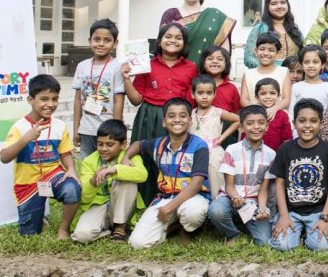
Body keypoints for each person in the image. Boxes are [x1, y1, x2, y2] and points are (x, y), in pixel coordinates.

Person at [1, 75, 81, 238]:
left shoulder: (59, 125)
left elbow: (65, 152)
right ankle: (37, 218)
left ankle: (63, 229)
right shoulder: (19, 127)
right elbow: (4, 157)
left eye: (54, 99)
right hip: (28, 183)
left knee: (72, 189)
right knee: (29, 234)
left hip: (53, 175)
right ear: (30, 99)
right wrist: (26, 138)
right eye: (44, 99)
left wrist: (71, 169)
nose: (50, 104)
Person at [124, 98, 210, 248]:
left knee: (193, 212)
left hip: (193, 197)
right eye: (171, 116)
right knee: (137, 243)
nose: (177, 120)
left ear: (190, 121)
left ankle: (186, 230)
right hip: (165, 197)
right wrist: (126, 157)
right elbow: (138, 145)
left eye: (183, 116)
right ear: (164, 122)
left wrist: (169, 208)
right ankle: (172, 227)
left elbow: (196, 184)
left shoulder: (199, 145)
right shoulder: (159, 144)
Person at [269, 99, 328, 252]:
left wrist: (325, 217)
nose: (307, 125)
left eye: (313, 121)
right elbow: (279, 185)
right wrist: (283, 215)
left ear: (322, 123)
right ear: (294, 123)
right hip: (291, 211)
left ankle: (307, 235)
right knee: (283, 245)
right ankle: (296, 234)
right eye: (302, 121)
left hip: (319, 211)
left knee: (320, 247)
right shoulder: (285, 148)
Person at [207, 105, 276, 245]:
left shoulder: (271, 154)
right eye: (250, 123)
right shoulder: (232, 150)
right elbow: (229, 185)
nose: (256, 127)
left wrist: (262, 208)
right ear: (242, 127)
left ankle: (243, 222)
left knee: (264, 241)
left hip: (252, 202)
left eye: (261, 123)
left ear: (267, 126)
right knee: (216, 211)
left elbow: (263, 189)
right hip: (230, 197)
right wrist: (235, 197)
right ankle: (232, 234)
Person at [71, 120, 147, 243]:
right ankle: (108, 231)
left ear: (123, 144)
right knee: (82, 236)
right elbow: (84, 197)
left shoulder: (130, 157)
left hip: (123, 208)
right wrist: (92, 182)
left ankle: (120, 227)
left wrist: (115, 170)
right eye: (100, 144)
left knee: (127, 179)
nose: (104, 149)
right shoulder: (89, 161)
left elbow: (142, 175)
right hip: (99, 206)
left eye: (110, 145)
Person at [122, 23, 198, 143]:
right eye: (168, 36)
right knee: (146, 155)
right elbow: (136, 101)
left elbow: (193, 99)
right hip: (150, 117)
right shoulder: (147, 65)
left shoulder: (191, 68)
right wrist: (126, 79)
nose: (173, 40)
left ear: (184, 43)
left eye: (178, 38)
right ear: (159, 41)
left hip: (178, 117)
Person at [73, 18, 125, 160]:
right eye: (97, 39)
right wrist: (76, 128)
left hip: (108, 132)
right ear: (90, 40)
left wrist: (117, 131)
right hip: (85, 129)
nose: (101, 44)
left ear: (115, 43)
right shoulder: (82, 66)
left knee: (108, 168)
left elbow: (118, 101)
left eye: (107, 40)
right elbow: (78, 99)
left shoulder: (117, 67)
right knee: (86, 166)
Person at [160, 0, 235, 64]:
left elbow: (224, 52)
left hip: (208, 75)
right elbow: (163, 46)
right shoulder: (171, 15)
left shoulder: (217, 16)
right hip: (178, 73)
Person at [190, 75, 241, 198]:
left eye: (209, 93)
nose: (204, 96)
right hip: (194, 155)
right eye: (200, 93)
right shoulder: (190, 113)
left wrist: (222, 137)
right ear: (193, 94)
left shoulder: (217, 112)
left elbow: (238, 120)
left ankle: (214, 210)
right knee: (195, 183)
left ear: (214, 94)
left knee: (215, 185)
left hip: (213, 155)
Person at [243, 0, 303, 68]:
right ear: (267, 7)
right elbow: (248, 58)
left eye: (283, 2)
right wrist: (270, 69)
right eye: (274, 4)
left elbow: (303, 56)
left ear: (287, 5)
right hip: (267, 77)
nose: (279, 6)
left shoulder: (295, 30)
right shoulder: (259, 29)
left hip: (293, 77)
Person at [240, 33, 291, 120]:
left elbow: (286, 99)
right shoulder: (248, 74)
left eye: (271, 50)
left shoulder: (284, 71)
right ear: (256, 51)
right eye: (262, 49)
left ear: (277, 53)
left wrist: (274, 109)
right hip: (254, 119)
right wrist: (259, 112)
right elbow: (244, 100)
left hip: (278, 118)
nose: (266, 53)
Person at [197, 45, 240, 148]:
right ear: (203, 62)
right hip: (201, 130)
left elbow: (236, 111)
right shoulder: (196, 85)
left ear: (226, 64)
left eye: (220, 59)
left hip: (226, 131)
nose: (215, 61)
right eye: (210, 58)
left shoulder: (231, 88)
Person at [290, 45, 328, 115]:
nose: (311, 65)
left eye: (315, 62)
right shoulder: (296, 87)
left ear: (322, 65)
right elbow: (291, 114)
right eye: (307, 62)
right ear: (302, 64)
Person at [253, 78, 292, 151]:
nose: (268, 97)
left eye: (272, 93)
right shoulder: (252, 114)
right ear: (257, 97)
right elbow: (246, 135)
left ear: (278, 96)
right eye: (263, 93)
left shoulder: (282, 115)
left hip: (276, 156)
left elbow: (287, 139)